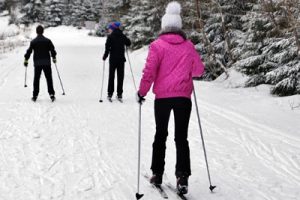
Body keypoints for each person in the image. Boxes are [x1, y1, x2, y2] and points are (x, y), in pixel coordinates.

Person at [137, 1, 205, 194]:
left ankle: (157, 173)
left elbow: (149, 72)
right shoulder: (188, 46)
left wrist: (142, 92)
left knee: (161, 134)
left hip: (163, 99)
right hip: (183, 98)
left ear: (164, 26)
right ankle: (182, 177)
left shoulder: (157, 45)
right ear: (179, 26)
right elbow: (199, 70)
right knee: (181, 137)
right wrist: (187, 69)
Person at [24, 25, 57, 102]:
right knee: (49, 78)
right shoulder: (48, 41)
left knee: (36, 79)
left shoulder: (33, 42)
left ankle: (35, 95)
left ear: (36, 32)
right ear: (43, 31)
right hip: (46, 63)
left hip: (37, 63)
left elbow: (29, 51)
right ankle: (51, 94)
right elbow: (52, 50)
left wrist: (26, 60)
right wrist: (54, 58)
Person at [102, 21, 131, 102]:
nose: (109, 30)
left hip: (113, 60)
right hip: (121, 60)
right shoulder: (122, 35)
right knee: (120, 77)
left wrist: (105, 56)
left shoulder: (110, 37)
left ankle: (110, 94)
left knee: (112, 76)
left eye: (110, 28)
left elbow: (107, 48)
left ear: (113, 28)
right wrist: (126, 38)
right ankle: (119, 94)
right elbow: (129, 43)